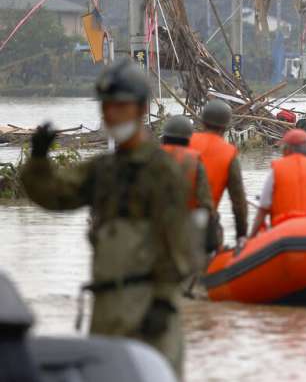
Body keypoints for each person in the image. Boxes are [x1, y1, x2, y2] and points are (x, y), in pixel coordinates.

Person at [21, 59, 200, 376]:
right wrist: (38, 160)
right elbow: (55, 195)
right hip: (105, 305)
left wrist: (162, 302)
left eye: (120, 106)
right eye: (106, 106)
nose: (111, 114)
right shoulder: (103, 169)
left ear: (141, 109)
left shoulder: (162, 171)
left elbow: (180, 244)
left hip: (149, 305)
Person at [188, 100, 248, 255]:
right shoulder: (228, 152)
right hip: (203, 225)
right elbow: (238, 202)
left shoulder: (185, 142)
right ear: (226, 126)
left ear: (202, 122)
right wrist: (241, 235)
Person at [250, 129, 306, 234]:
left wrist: (250, 238)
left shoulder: (276, 169)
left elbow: (263, 209)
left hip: (283, 232)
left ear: (287, 149)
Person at [161, 115, 218, 253]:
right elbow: (205, 203)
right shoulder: (194, 161)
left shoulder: (148, 157)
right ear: (189, 139)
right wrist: (211, 243)